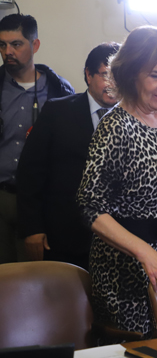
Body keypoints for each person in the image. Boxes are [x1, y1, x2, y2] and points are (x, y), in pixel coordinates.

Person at [77, 26, 157, 339]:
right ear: (130, 75)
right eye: (156, 75)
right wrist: (145, 253)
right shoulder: (115, 126)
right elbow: (90, 206)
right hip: (123, 270)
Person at [16, 42, 121, 270]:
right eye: (106, 75)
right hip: (65, 236)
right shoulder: (57, 112)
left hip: (120, 240)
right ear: (89, 75)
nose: (114, 85)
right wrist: (33, 228)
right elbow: (30, 174)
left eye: (120, 76)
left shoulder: (135, 117)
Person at [0, 14, 74, 264]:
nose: (8, 51)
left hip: (41, 202)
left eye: (16, 44)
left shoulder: (59, 91)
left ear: (35, 45)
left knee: (35, 278)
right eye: (2, 45)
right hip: (1, 196)